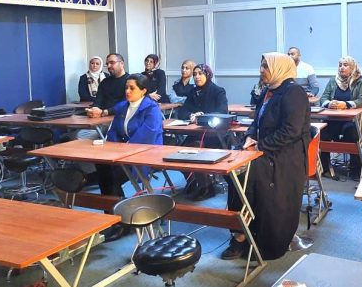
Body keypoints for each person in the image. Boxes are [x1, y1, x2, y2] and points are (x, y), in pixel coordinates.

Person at [221, 52, 310, 261]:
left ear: (279, 68)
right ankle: (240, 232)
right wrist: (249, 138)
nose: (261, 70)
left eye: (265, 66)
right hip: (264, 150)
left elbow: (291, 131)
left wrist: (260, 146)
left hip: (284, 156)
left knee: (245, 175)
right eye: (261, 66)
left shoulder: (294, 92)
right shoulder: (268, 91)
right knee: (232, 171)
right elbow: (256, 122)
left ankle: (255, 238)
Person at [96, 74, 163, 197]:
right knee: (102, 165)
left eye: (132, 88)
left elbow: (147, 136)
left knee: (112, 174)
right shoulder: (122, 107)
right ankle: (112, 204)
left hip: (145, 152)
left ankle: (114, 204)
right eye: (126, 88)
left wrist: (122, 149)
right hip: (123, 151)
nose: (127, 91)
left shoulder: (152, 109)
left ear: (143, 91)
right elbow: (113, 131)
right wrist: (115, 147)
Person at [175, 63, 228, 200]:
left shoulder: (218, 91)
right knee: (178, 153)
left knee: (195, 151)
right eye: (195, 74)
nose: (197, 77)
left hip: (214, 136)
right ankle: (194, 181)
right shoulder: (193, 92)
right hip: (195, 134)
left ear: (208, 75)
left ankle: (207, 187)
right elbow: (182, 112)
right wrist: (191, 115)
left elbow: (222, 112)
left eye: (200, 73)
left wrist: (203, 116)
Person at [319, 56, 362, 180]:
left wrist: (345, 104)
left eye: (345, 65)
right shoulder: (333, 81)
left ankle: (355, 169)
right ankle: (326, 168)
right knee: (322, 132)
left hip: (351, 120)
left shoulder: (360, 81)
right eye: (340, 65)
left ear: (352, 67)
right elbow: (323, 98)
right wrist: (329, 104)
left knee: (351, 132)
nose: (342, 67)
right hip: (333, 120)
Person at [87, 53, 129, 118]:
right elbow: (98, 101)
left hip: (121, 117)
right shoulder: (104, 82)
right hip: (101, 117)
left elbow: (126, 103)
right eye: (107, 64)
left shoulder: (130, 81)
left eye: (112, 63)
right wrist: (94, 109)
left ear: (121, 63)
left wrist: (106, 112)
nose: (108, 66)